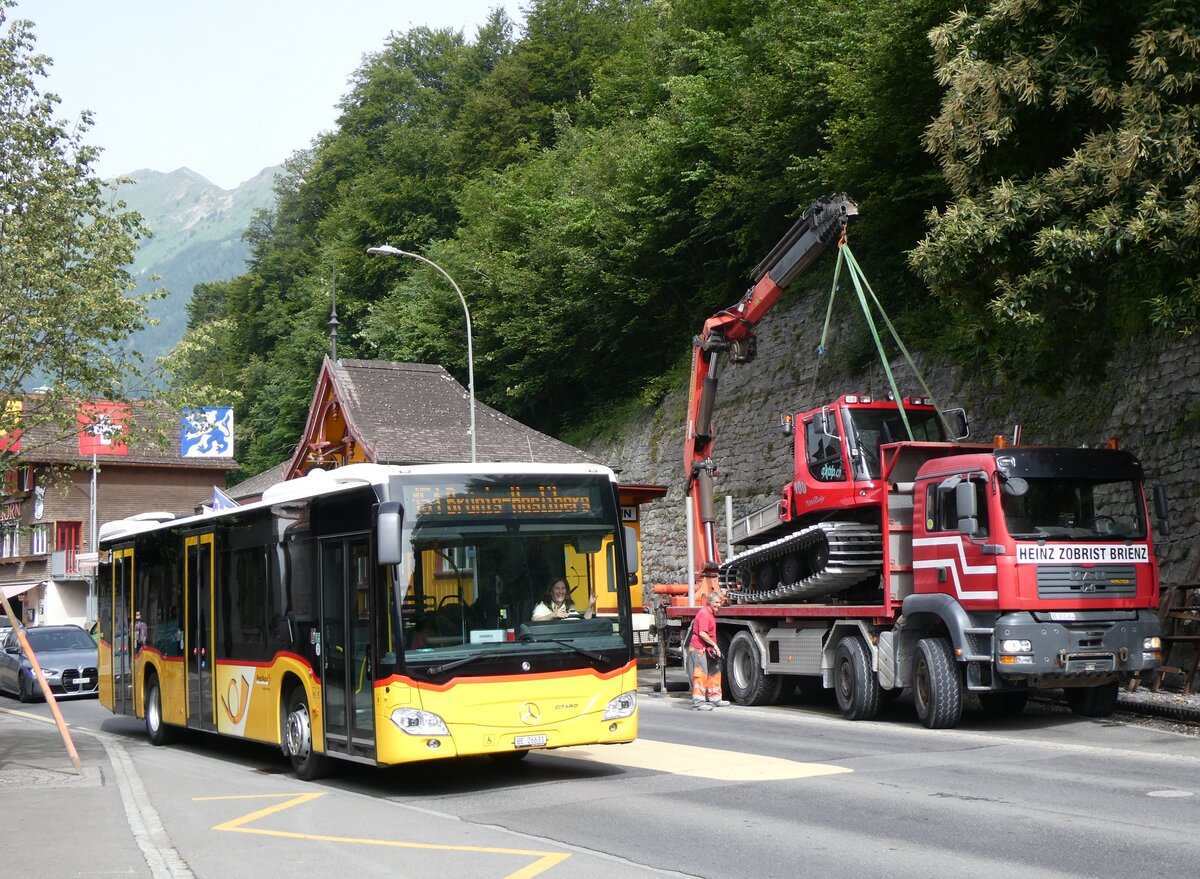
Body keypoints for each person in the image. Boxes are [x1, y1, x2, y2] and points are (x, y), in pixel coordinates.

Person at [688, 590, 730, 710]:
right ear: (709, 602)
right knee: (701, 674)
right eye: (716, 602)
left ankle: (715, 698)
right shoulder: (705, 614)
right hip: (699, 647)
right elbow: (702, 633)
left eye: (720, 602)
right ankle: (698, 703)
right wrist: (715, 645)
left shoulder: (710, 613)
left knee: (714, 671)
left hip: (707, 647)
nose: (718, 605)